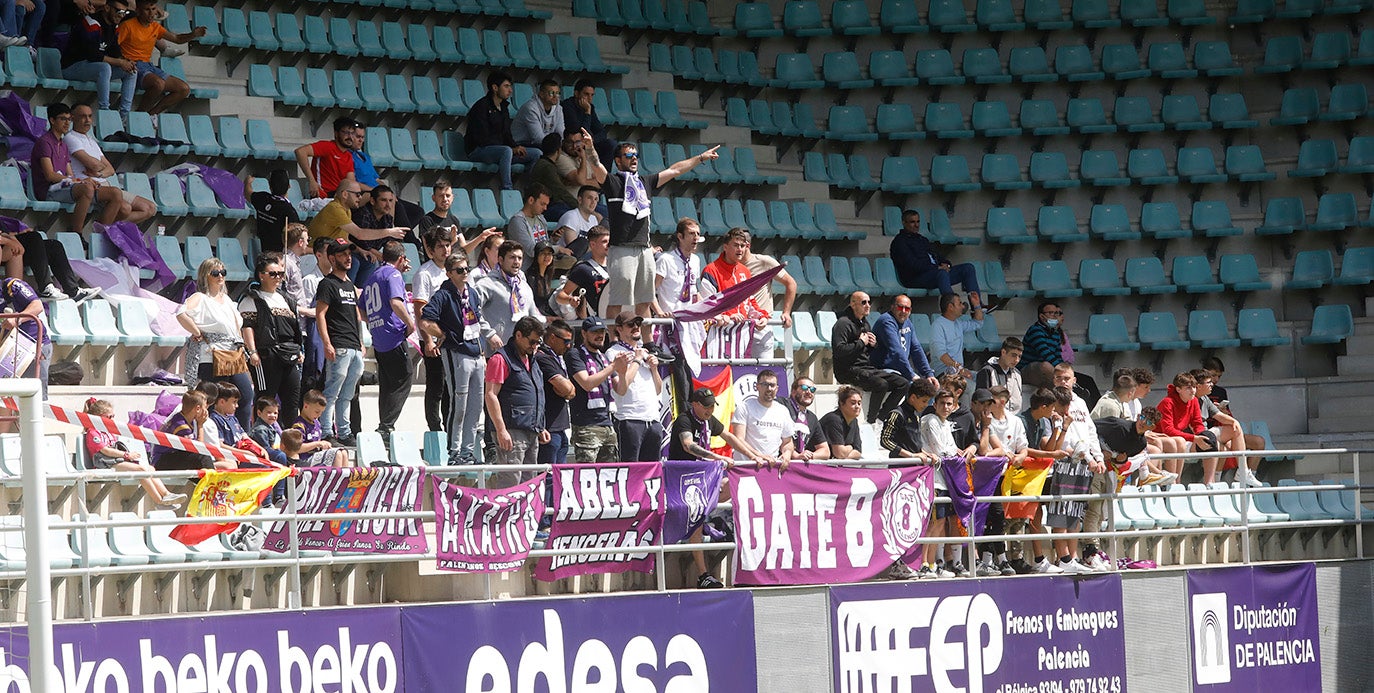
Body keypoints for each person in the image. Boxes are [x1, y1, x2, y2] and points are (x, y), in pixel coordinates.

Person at [602, 142, 719, 318]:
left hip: (644, 248)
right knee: (617, 300)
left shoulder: (645, 182)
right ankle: (612, 341)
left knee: (645, 299)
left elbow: (675, 170)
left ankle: (648, 342)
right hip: (622, 247)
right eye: (628, 156)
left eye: (636, 155)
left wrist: (700, 158)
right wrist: (589, 149)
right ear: (618, 161)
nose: (634, 158)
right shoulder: (612, 181)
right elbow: (596, 167)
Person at [668, 386, 754, 589]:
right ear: (694, 405)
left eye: (712, 406)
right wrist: (717, 457)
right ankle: (703, 575)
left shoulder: (708, 420)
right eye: (705, 407)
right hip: (682, 481)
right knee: (697, 519)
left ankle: (706, 515)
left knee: (733, 486)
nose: (710, 410)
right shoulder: (684, 420)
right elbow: (688, 445)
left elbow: (730, 437)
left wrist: (754, 456)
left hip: (702, 479)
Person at [418, 253, 493, 465]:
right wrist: (442, 335)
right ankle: (454, 452)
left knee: (475, 405)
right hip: (456, 352)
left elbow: (478, 321)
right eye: (459, 270)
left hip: (476, 352)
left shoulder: (473, 293)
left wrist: (483, 351)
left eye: (466, 269)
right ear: (449, 273)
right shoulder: (443, 294)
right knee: (458, 405)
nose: (464, 273)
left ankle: (467, 452)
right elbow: (425, 320)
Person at [178, 258, 254, 426]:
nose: (220, 276)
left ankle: (241, 435)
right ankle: (209, 436)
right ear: (206, 275)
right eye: (215, 273)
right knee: (212, 399)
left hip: (234, 353)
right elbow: (180, 312)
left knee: (245, 395)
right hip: (212, 355)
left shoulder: (227, 299)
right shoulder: (200, 297)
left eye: (223, 272)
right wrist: (197, 332)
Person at [31, 102, 124, 235]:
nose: (67, 123)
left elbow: (69, 173)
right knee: (86, 188)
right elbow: (50, 176)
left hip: (64, 186)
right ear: (52, 120)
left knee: (115, 192)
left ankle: (102, 235)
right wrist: (80, 181)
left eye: (69, 119)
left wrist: (82, 180)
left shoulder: (63, 145)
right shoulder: (44, 143)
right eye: (63, 119)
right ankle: (77, 233)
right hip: (48, 190)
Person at [84, 397, 187, 505]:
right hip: (105, 463)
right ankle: (159, 501)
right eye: (109, 417)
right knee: (140, 469)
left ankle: (166, 494)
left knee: (149, 468)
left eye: (113, 416)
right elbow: (105, 451)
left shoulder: (108, 431)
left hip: (115, 460)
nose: (112, 419)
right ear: (97, 417)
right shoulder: (93, 432)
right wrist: (127, 455)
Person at [239, 253, 303, 424]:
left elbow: (295, 327)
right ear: (261, 275)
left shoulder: (287, 299)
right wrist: (252, 352)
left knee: (292, 400)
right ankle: (259, 435)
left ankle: (290, 438)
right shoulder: (252, 299)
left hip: (289, 354)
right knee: (265, 398)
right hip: (267, 355)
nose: (278, 278)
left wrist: (299, 349)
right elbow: (247, 327)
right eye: (273, 274)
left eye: (280, 274)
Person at [484, 315, 548, 481]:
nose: (534, 346)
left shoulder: (532, 360)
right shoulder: (500, 359)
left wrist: (540, 426)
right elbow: (490, 395)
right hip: (511, 431)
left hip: (531, 430)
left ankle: (525, 509)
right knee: (510, 481)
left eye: (537, 342)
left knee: (530, 481)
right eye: (532, 341)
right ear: (518, 335)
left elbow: (535, 394)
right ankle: (508, 509)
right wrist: (501, 430)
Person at [918, 388, 973, 579]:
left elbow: (953, 449)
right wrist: (953, 454)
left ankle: (933, 564)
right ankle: (923, 564)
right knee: (932, 524)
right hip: (933, 479)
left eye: (949, 404)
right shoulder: (930, 420)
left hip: (946, 480)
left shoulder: (946, 424)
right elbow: (942, 450)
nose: (946, 407)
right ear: (935, 404)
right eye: (942, 403)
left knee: (941, 524)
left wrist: (958, 453)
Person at [314, 239, 365, 446]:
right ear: (332, 258)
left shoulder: (349, 285)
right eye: (343, 254)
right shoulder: (327, 283)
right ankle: (327, 431)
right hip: (339, 344)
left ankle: (344, 432)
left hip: (354, 345)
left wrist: (361, 341)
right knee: (332, 391)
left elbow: (356, 316)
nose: (348, 257)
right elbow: (320, 314)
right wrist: (327, 343)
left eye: (349, 253)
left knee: (348, 393)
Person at [362, 241, 415, 437]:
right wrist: (410, 323)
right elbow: (395, 302)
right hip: (393, 335)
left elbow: (361, 309)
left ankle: (383, 424)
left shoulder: (372, 277)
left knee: (387, 383)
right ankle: (386, 425)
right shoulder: (393, 274)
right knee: (404, 377)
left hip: (378, 336)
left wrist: (374, 320)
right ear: (401, 258)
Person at [832, 291, 910, 424]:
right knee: (880, 384)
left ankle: (881, 418)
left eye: (869, 302)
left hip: (865, 368)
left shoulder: (865, 324)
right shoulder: (842, 324)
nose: (868, 305)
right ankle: (871, 421)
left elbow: (864, 351)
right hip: (847, 370)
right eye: (863, 302)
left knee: (903, 383)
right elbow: (839, 350)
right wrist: (861, 343)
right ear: (853, 304)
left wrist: (873, 345)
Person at [890, 209, 995, 306]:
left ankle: (977, 306)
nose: (916, 225)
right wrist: (936, 268)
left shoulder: (922, 239)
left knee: (968, 268)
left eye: (918, 222)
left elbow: (939, 257)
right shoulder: (900, 242)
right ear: (904, 223)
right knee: (941, 273)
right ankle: (952, 307)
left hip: (934, 274)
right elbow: (912, 265)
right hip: (915, 278)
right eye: (912, 222)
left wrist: (946, 264)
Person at [116, 0, 205, 114]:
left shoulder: (155, 26)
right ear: (138, 11)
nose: (151, 13)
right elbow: (114, 46)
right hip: (133, 66)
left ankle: (151, 114)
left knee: (183, 89)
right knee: (158, 84)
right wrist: (123, 61)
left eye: (153, 9)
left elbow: (177, 39)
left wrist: (193, 34)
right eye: (147, 10)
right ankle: (139, 114)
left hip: (149, 66)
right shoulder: (127, 25)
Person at [700, 227, 773, 357]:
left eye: (742, 245)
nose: (740, 249)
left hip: (741, 336)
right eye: (735, 245)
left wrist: (762, 316)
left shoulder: (745, 271)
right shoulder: (711, 271)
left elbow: (749, 301)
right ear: (725, 247)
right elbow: (707, 304)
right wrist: (728, 316)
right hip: (717, 336)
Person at [63, 0, 137, 121]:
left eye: (125, 12)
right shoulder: (91, 22)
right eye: (119, 11)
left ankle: (124, 116)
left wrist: (126, 62)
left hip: (92, 67)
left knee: (132, 71)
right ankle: (105, 111)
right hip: (72, 67)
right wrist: (119, 62)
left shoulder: (114, 25)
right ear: (107, 8)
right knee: (105, 67)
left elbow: (115, 51)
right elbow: (92, 55)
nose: (121, 15)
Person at [466, 71, 541, 190]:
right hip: (478, 150)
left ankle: (530, 189)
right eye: (506, 86)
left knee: (536, 153)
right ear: (495, 88)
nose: (510, 90)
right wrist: (510, 148)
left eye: (510, 86)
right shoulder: (481, 107)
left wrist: (515, 146)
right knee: (506, 151)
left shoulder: (504, 107)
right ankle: (507, 188)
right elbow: (481, 138)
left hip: (501, 151)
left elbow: (506, 134)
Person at [413, 226, 455, 433]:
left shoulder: (453, 271)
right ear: (431, 250)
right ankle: (434, 427)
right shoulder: (425, 273)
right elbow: (420, 309)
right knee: (436, 386)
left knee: (451, 388)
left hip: (452, 338)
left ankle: (448, 426)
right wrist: (427, 340)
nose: (445, 250)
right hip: (433, 336)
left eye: (448, 245)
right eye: (440, 246)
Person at [607, 311, 664, 462]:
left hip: (652, 418)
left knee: (651, 471)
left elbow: (658, 389)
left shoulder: (643, 352)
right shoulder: (614, 352)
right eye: (630, 325)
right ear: (619, 329)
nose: (636, 327)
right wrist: (637, 360)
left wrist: (654, 368)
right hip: (629, 418)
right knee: (630, 470)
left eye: (638, 324)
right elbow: (622, 388)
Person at [565, 315, 622, 463]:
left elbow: (621, 389)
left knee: (609, 475)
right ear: (584, 333)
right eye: (595, 332)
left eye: (602, 332)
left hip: (607, 423)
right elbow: (587, 383)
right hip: (586, 425)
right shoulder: (575, 354)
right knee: (586, 474)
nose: (600, 336)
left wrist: (630, 365)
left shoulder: (604, 358)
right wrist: (613, 366)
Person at [473, 240, 542, 353]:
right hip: (496, 352)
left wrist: (537, 341)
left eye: (519, 258)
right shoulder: (486, 284)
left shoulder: (524, 287)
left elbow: (533, 316)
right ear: (500, 260)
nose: (516, 262)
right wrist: (489, 334)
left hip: (522, 354)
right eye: (512, 257)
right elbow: (471, 309)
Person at [1154, 371, 1222, 484]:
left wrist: (1202, 436)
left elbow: (1197, 423)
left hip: (1180, 438)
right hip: (1161, 438)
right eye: (1188, 388)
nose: (1193, 391)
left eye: (1194, 387)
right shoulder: (1167, 402)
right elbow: (1168, 430)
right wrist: (1195, 439)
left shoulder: (1194, 400)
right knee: (1179, 441)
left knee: (1212, 442)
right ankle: (1175, 482)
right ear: (1178, 389)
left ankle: (1210, 483)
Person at [308, 180, 406, 249]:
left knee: (365, 261)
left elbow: (344, 239)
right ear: (345, 194)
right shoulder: (335, 208)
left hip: (328, 252)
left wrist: (361, 251)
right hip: (314, 254)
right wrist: (390, 232)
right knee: (355, 261)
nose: (360, 198)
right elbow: (359, 234)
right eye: (357, 194)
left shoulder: (347, 210)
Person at [729, 369, 794, 468]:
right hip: (746, 466)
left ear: (776, 388)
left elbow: (788, 442)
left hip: (771, 467)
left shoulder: (783, 411)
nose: (769, 389)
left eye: (772, 385)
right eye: (765, 384)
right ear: (757, 387)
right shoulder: (745, 407)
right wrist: (759, 456)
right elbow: (738, 439)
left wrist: (787, 454)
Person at [415, 179, 500, 257]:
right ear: (434, 198)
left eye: (448, 196)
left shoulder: (454, 220)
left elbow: (464, 250)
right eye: (441, 196)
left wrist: (480, 237)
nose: (445, 199)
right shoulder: (427, 220)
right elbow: (430, 255)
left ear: (452, 198)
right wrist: (451, 241)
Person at [0, 275, 53, 392]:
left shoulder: (12, 285)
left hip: (33, 347)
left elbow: (37, 305)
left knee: (34, 398)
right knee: (7, 400)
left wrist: (16, 320)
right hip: (7, 352)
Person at [871, 295, 937, 388]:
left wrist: (928, 374)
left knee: (929, 387)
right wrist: (911, 375)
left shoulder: (908, 322)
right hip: (884, 369)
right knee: (912, 386)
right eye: (900, 307)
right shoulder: (886, 321)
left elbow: (916, 349)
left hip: (900, 368)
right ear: (892, 307)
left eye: (907, 309)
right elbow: (896, 351)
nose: (903, 311)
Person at [534, 319, 575, 465]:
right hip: (548, 428)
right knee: (549, 478)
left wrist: (568, 390)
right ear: (552, 338)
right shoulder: (542, 357)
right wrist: (568, 390)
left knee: (560, 477)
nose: (568, 346)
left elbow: (570, 392)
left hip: (560, 427)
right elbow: (567, 389)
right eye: (565, 341)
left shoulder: (555, 359)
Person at [554, 226, 610, 319]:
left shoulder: (615, 266)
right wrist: (570, 300)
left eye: (609, 241)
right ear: (592, 244)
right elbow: (560, 296)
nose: (609, 245)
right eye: (604, 242)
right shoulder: (583, 269)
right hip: (595, 321)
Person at [294, 117, 358, 199]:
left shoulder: (348, 156)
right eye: (346, 133)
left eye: (352, 133)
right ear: (336, 134)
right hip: (324, 196)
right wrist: (311, 181)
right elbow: (300, 152)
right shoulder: (327, 146)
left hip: (338, 196)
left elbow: (350, 182)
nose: (350, 137)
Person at [741, 238, 796, 330]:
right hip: (739, 323)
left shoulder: (764, 261)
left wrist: (786, 312)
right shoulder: (730, 265)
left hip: (762, 323)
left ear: (747, 245)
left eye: (740, 245)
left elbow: (791, 283)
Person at [151, 390, 213, 471]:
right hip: (162, 462)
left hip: (172, 457)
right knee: (202, 457)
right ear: (198, 408)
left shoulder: (182, 418)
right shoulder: (181, 426)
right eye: (205, 408)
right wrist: (200, 425)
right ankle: (213, 482)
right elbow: (199, 449)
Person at [652, 218, 702, 318]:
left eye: (698, 234)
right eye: (691, 233)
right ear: (680, 236)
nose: (696, 237)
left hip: (689, 320)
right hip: (669, 320)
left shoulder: (696, 260)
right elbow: (650, 292)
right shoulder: (666, 260)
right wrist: (660, 312)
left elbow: (694, 292)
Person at [930, 293, 984, 382]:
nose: (963, 307)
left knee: (985, 379)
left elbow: (978, 323)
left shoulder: (958, 323)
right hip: (943, 373)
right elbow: (941, 354)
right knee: (971, 387)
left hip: (958, 371)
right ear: (950, 307)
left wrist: (977, 305)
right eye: (959, 303)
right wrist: (960, 369)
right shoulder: (938, 325)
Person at [526, 133, 580, 222]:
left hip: (548, 205)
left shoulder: (544, 164)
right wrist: (579, 207)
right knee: (574, 216)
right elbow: (560, 190)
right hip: (547, 207)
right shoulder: (547, 167)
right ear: (558, 150)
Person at [290, 389, 350, 467]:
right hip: (304, 460)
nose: (319, 415)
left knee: (343, 452)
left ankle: (344, 478)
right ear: (306, 406)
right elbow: (297, 448)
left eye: (321, 412)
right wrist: (318, 444)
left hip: (317, 456)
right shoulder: (299, 425)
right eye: (317, 412)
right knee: (337, 454)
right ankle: (336, 478)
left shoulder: (317, 423)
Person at [562, 78, 615, 164]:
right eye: (586, 94)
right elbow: (580, 131)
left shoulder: (590, 107)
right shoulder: (567, 106)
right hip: (574, 144)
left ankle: (604, 176)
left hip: (586, 143)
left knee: (610, 144)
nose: (589, 98)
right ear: (576, 93)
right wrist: (587, 112)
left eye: (592, 95)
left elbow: (602, 132)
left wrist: (592, 140)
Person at [247, 170, 300, 253]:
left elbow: (247, 192)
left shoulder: (262, 198)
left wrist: (248, 182)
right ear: (289, 186)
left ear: (269, 186)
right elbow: (297, 243)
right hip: (281, 258)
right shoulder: (290, 211)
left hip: (265, 254)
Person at [780, 377, 831, 462]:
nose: (809, 392)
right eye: (804, 388)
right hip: (777, 463)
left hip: (798, 467)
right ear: (793, 391)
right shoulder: (781, 405)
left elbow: (825, 451)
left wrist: (809, 455)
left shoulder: (812, 418)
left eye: (812, 389)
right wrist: (796, 455)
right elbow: (778, 436)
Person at [512, 78, 566, 153]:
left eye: (557, 93)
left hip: (544, 144)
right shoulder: (530, 108)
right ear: (541, 94)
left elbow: (561, 133)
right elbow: (538, 138)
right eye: (551, 93)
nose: (555, 96)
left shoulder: (558, 108)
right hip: (522, 144)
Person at [975, 337, 1024, 415]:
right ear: (1003, 352)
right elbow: (982, 402)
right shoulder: (987, 371)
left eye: (1019, 356)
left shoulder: (1017, 374)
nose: (1017, 360)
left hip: (1015, 421)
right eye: (1013, 355)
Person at [506, 184, 554, 262]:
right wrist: (558, 249)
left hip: (544, 263)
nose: (545, 208)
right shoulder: (517, 221)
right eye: (542, 204)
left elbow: (546, 243)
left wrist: (553, 240)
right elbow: (531, 250)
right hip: (528, 268)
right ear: (531, 200)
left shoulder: (541, 218)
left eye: (546, 205)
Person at [555, 184, 603, 259]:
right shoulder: (571, 216)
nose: (593, 202)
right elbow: (575, 249)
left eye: (596, 199)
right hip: (565, 260)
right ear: (580, 200)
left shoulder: (593, 219)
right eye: (589, 198)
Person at [819, 386, 865, 460]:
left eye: (859, 403)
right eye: (853, 403)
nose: (857, 406)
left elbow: (858, 453)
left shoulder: (854, 421)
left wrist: (844, 454)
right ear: (842, 403)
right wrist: (851, 446)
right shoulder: (833, 419)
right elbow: (839, 453)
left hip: (836, 464)